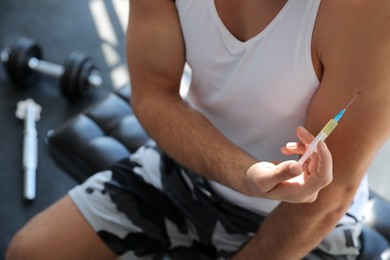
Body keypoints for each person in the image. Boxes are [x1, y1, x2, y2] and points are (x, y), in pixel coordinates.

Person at [6, 0, 390, 259]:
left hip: (308, 226)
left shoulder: (365, 14)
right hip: (186, 171)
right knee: (30, 251)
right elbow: (154, 94)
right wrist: (245, 174)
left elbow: (329, 199)